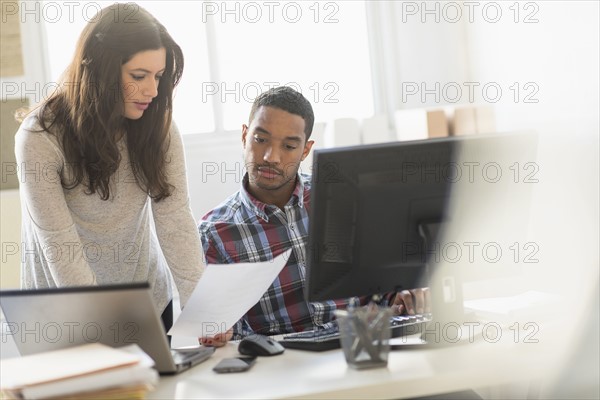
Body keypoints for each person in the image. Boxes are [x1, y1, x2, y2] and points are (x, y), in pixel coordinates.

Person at [14, 3, 227, 346]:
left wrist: (204, 311)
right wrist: (102, 325)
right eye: (138, 76)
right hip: (61, 312)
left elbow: (174, 221)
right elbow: (60, 245)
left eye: (158, 77)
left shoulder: (159, 128)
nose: (152, 91)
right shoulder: (39, 138)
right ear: (99, 69)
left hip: (143, 301)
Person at [199, 86, 429, 339]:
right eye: (260, 139)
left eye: (288, 145)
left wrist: (401, 294)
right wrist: (221, 331)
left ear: (305, 150)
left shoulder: (347, 197)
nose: (271, 157)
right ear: (244, 136)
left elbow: (381, 284)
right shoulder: (214, 232)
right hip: (283, 364)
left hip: (358, 345)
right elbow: (229, 329)